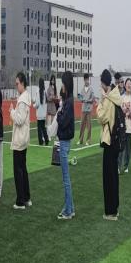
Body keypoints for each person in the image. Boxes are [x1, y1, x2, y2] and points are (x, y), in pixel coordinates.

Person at [97, 69, 122, 221]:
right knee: (114, 176)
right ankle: (115, 208)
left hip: (109, 141)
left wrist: (101, 101)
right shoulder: (115, 95)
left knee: (108, 178)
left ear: (103, 83)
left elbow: (101, 117)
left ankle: (110, 211)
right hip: (116, 140)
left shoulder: (108, 99)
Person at [10, 72, 32, 210]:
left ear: (22, 83)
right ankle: (26, 198)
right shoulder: (25, 97)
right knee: (23, 169)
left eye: (17, 83)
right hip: (23, 138)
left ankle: (20, 201)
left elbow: (19, 120)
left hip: (20, 139)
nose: (16, 86)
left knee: (18, 171)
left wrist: (12, 111)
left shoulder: (23, 100)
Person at [57, 71, 75, 220]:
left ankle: (68, 210)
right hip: (64, 140)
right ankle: (70, 208)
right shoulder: (68, 101)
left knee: (66, 179)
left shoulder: (69, 102)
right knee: (66, 178)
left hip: (64, 141)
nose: (61, 85)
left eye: (63, 83)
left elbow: (63, 122)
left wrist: (58, 114)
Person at [119, 78, 131, 173]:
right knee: (121, 147)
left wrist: (129, 109)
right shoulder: (121, 97)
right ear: (125, 85)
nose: (129, 85)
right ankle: (119, 166)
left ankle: (126, 166)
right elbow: (119, 111)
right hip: (122, 125)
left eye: (130, 84)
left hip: (130, 126)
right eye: (127, 84)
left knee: (128, 147)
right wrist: (124, 109)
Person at [77, 73, 94, 146]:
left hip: (89, 109)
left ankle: (88, 140)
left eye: (87, 79)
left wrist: (87, 100)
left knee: (89, 126)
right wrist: (80, 98)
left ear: (88, 79)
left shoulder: (91, 89)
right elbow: (80, 98)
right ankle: (80, 140)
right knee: (82, 125)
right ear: (84, 80)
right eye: (85, 79)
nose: (86, 81)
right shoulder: (82, 89)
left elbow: (92, 99)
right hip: (83, 109)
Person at [33, 78, 49, 146]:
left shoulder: (38, 92)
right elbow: (45, 103)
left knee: (39, 128)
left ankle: (41, 141)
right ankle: (46, 139)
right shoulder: (44, 92)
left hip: (39, 113)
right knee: (43, 127)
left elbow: (37, 104)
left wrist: (33, 105)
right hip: (43, 113)